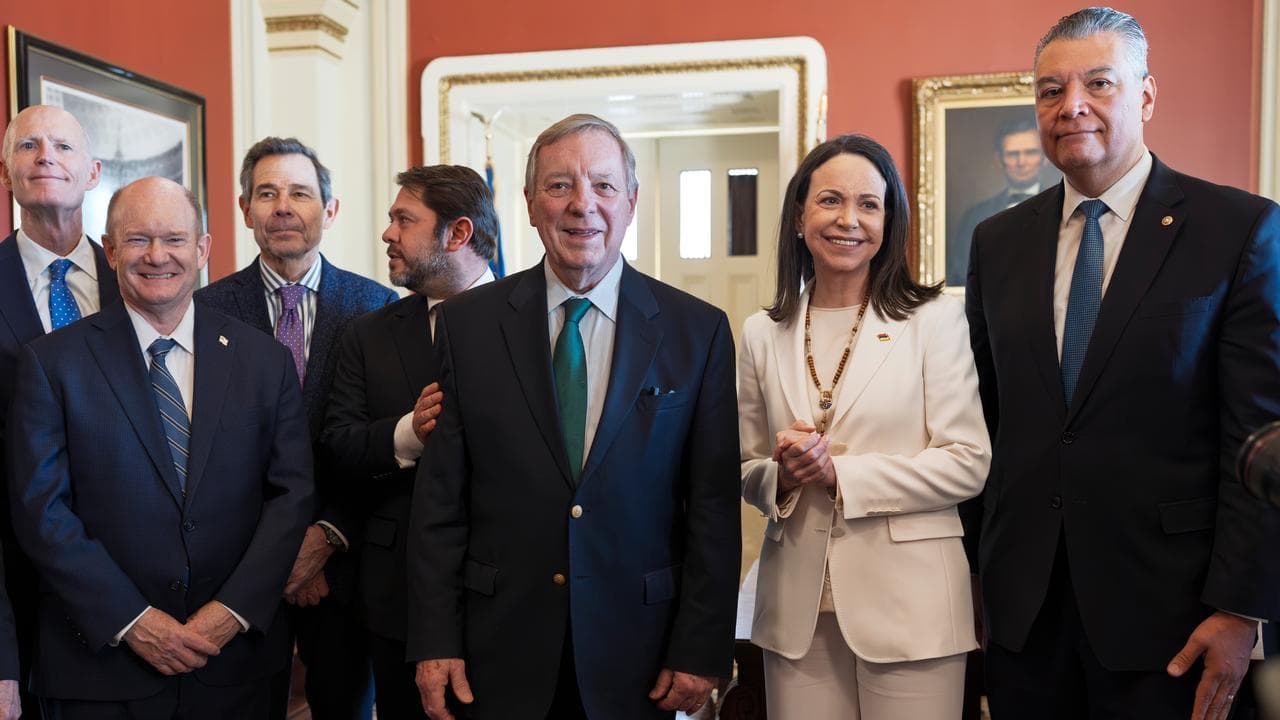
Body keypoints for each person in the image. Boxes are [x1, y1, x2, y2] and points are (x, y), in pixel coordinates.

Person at [966, 7, 1280, 718]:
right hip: (1024, 616)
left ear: (1146, 95)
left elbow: (1259, 438)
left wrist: (1241, 608)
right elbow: (988, 418)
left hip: (1174, 617)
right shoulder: (997, 242)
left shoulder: (1237, 230)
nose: (1071, 105)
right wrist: (975, 579)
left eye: (1099, 83)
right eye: (1050, 90)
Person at [406, 113, 741, 720]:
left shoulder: (698, 331)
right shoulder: (466, 325)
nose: (582, 205)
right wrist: (434, 640)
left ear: (631, 202)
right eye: (559, 185)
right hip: (498, 648)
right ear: (531, 204)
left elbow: (712, 508)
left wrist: (700, 646)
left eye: (603, 185)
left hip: (640, 651)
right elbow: (441, 502)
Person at [6, 176, 314, 718]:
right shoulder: (51, 363)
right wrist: (133, 621)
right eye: (137, 239)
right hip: (99, 670)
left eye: (174, 239)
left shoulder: (264, 360)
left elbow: (291, 497)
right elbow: (42, 511)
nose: (157, 256)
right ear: (110, 251)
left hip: (236, 666)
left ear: (202, 249)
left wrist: (230, 613)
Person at [738, 133, 990, 718]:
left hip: (913, 609)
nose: (848, 219)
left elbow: (968, 461)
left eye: (868, 204)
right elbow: (744, 465)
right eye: (830, 200)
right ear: (798, 216)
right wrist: (784, 475)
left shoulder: (935, 320)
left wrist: (841, 476)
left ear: (888, 222)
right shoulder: (761, 332)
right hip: (795, 611)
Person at [196, 136, 396, 719]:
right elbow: (205, 452)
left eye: (300, 193)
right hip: (237, 571)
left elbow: (388, 444)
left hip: (348, 568)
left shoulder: (377, 307)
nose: (283, 207)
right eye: (267, 193)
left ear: (329, 210)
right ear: (245, 210)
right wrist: (277, 553)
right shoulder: (204, 311)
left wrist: (325, 536)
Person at [322, 164, 497, 718]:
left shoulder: (534, 322)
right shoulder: (368, 334)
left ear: (458, 233)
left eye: (404, 220)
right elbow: (339, 446)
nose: (387, 233)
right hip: (397, 600)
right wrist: (408, 433)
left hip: (510, 596)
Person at [0, 104, 121, 717]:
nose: (45, 155)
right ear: (6, 173)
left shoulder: (140, 280)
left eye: (63, 146)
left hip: (133, 584)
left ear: (93, 172)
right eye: (28, 146)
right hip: (20, 586)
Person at [946, 117, 1046, 286]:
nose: (1021, 162)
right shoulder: (974, 216)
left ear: (1044, 157)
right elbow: (960, 275)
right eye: (1012, 154)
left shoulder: (1064, 208)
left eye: (1030, 152)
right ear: (999, 159)